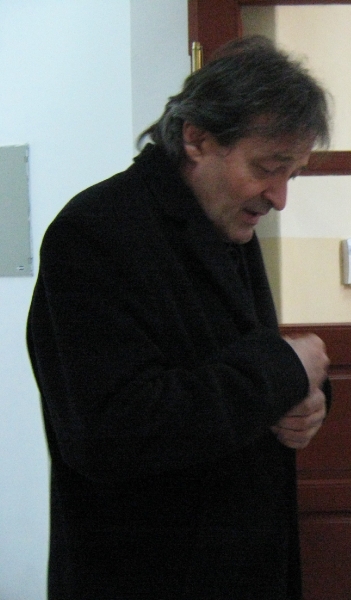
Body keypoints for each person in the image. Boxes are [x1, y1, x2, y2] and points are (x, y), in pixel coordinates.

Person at [26, 35, 332, 600]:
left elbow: (235, 365)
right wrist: (282, 371)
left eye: (293, 173)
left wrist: (303, 400)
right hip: (146, 572)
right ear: (197, 139)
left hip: (238, 563)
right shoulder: (94, 233)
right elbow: (111, 432)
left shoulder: (224, 224)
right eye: (268, 167)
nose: (280, 197)